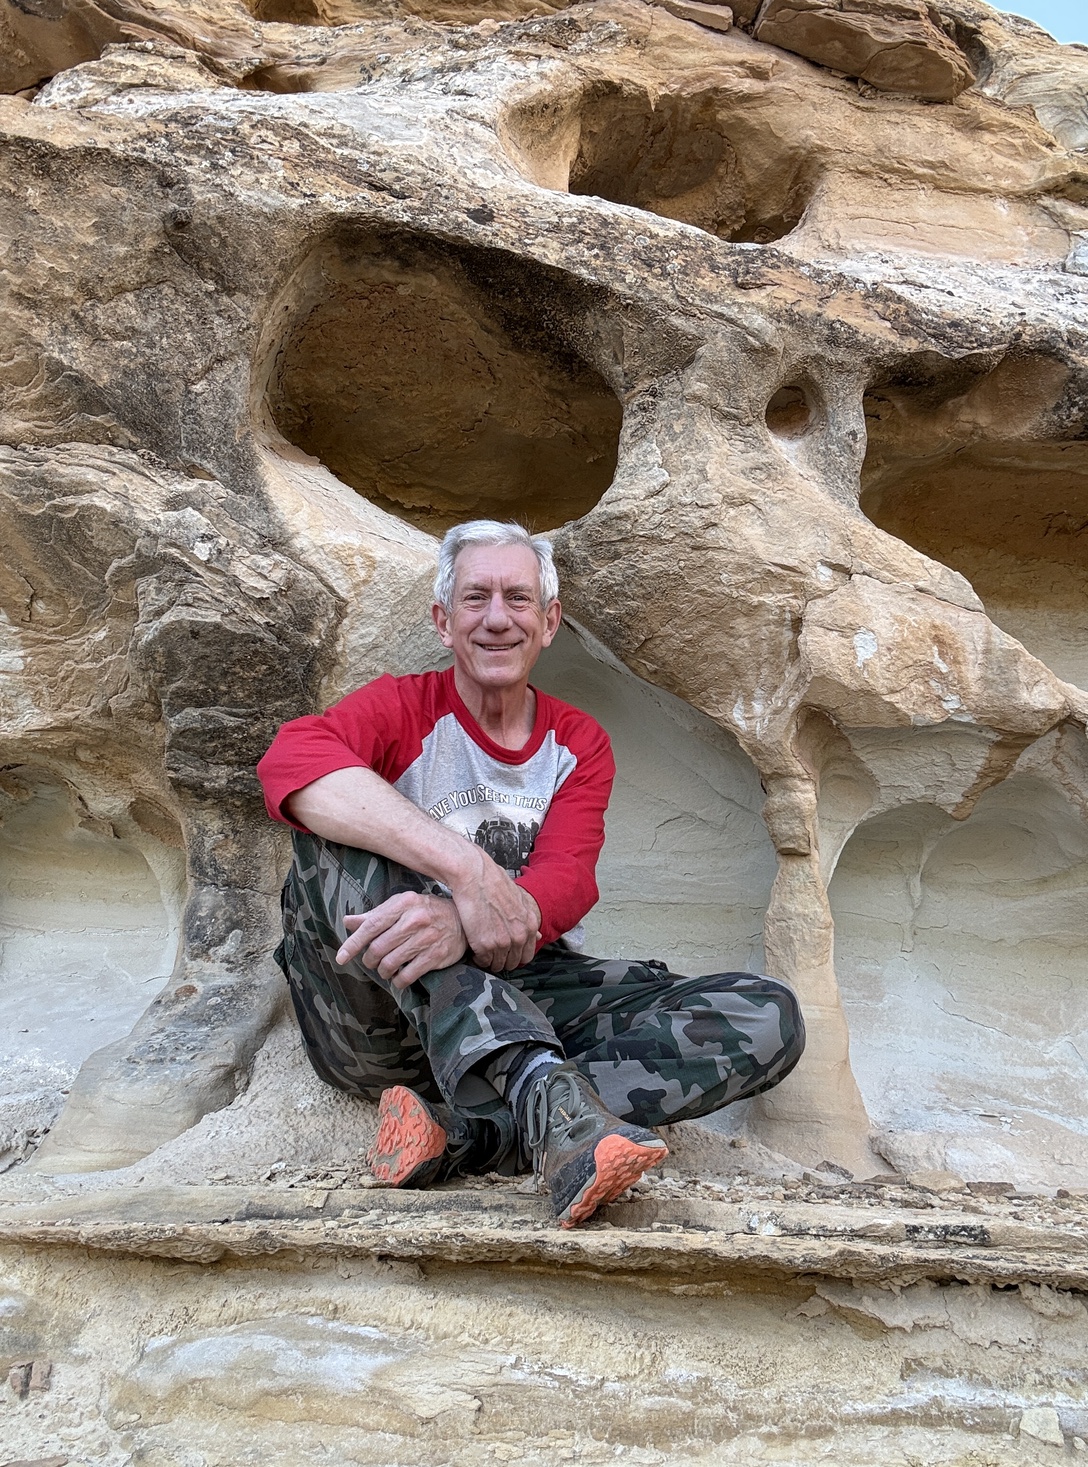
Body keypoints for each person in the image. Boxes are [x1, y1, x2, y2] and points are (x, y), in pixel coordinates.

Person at [257, 520, 805, 1228]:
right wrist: (464, 871)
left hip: (519, 989)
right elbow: (292, 762)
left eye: (518, 599)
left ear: (548, 623)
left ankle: (473, 1134)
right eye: (475, 598)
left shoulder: (576, 742)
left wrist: (463, 924)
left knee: (766, 1013)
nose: (497, 618)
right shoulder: (401, 707)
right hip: (379, 1024)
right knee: (330, 841)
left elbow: (567, 881)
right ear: (443, 621)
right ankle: (546, 1098)